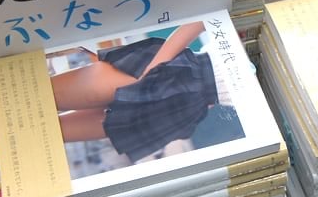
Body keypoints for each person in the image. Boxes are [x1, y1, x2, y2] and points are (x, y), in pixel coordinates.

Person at [50, 21, 221, 163]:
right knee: (45, 97)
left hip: (186, 107)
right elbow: (202, 20)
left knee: (48, 134)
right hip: (174, 71)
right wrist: (155, 68)